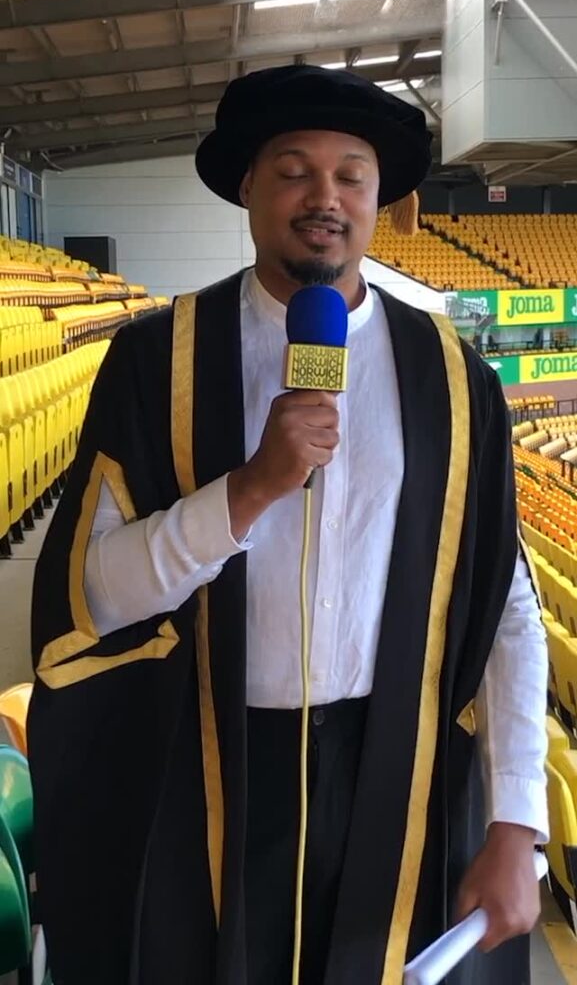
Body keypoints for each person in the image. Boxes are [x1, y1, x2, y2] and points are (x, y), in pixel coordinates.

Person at [28, 65, 548, 985]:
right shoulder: (159, 360)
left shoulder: (457, 380)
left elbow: (505, 606)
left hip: (398, 769)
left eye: (351, 175)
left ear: (380, 198)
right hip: (205, 770)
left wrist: (515, 820)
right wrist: (251, 488)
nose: (325, 197)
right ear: (247, 188)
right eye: (293, 170)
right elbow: (94, 596)